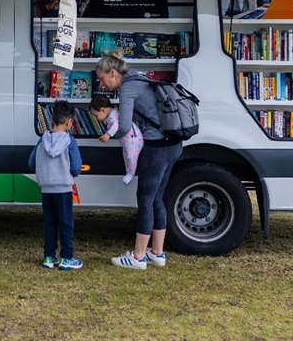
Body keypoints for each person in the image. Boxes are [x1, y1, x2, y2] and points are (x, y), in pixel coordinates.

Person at [94, 50, 183, 270]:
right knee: (157, 198)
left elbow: (123, 126)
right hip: (174, 145)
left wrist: (109, 134)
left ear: (113, 72)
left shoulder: (127, 89)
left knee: (145, 199)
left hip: (157, 149)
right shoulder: (141, 77)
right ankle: (157, 253)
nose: (102, 84)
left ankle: (138, 257)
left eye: (102, 79)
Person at [27, 99, 83, 270]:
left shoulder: (41, 141)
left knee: (49, 223)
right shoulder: (70, 141)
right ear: (70, 122)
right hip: (63, 189)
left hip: (46, 189)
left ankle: (49, 257)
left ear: (51, 120)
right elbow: (76, 166)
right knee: (66, 223)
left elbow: (31, 163)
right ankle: (67, 258)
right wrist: (69, 174)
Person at [89, 93, 144, 184]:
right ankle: (129, 172)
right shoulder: (112, 114)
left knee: (130, 157)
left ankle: (130, 173)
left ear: (102, 110)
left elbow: (116, 125)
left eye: (96, 115)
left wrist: (108, 135)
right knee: (126, 156)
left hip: (133, 139)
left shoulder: (113, 116)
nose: (96, 118)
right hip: (128, 140)